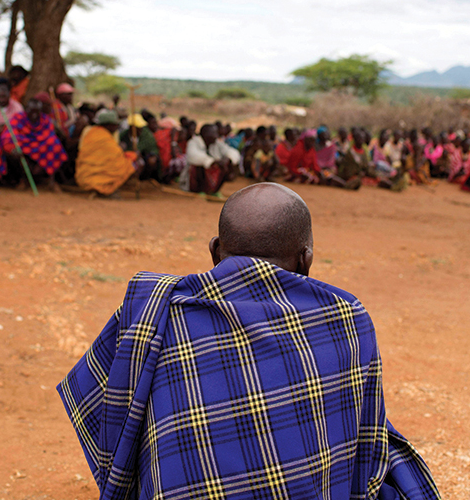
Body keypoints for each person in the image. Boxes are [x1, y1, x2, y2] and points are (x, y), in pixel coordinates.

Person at [57, 183, 439, 500]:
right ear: (306, 260)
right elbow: (365, 443)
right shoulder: (345, 317)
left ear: (214, 251)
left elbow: (107, 411)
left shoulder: (156, 311)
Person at [0, 95, 67, 192]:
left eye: (36, 111)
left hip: (41, 149)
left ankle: (51, 181)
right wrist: (13, 149)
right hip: (23, 148)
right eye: (31, 111)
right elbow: (7, 136)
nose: (34, 115)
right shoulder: (18, 118)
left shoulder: (45, 120)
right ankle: (23, 180)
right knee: (12, 152)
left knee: (55, 145)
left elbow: (50, 136)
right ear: (26, 110)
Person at [75, 110, 138, 196]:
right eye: (115, 125)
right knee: (131, 164)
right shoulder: (104, 137)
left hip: (84, 176)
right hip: (93, 174)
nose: (117, 127)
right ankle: (108, 188)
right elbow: (116, 156)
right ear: (109, 125)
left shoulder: (91, 132)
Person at [184, 123, 231, 195]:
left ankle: (213, 191)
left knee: (225, 165)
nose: (216, 136)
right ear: (206, 134)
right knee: (197, 166)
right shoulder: (193, 142)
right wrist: (213, 161)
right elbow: (193, 156)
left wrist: (227, 158)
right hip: (192, 179)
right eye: (214, 133)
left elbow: (230, 152)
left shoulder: (216, 143)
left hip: (210, 174)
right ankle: (199, 190)